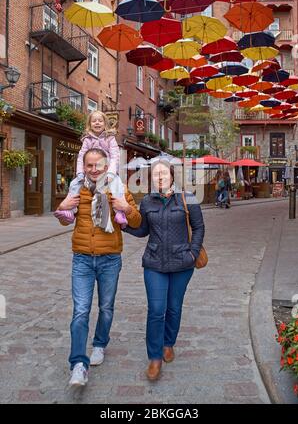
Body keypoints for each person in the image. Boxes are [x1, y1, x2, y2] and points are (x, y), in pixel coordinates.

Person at [54, 148, 141, 387]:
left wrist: (126, 207)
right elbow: (65, 219)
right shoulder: (77, 188)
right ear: (84, 167)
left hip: (110, 258)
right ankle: (78, 364)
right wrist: (62, 206)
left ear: (105, 165)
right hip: (82, 258)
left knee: (106, 307)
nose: (94, 170)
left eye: (98, 165)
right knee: (80, 310)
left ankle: (100, 344)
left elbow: (136, 222)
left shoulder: (117, 188)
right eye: (89, 165)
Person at [124, 159, 205, 381]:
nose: (160, 177)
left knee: (174, 308)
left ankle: (168, 343)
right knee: (156, 309)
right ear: (151, 179)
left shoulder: (187, 198)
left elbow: (198, 227)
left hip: (182, 263)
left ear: (172, 176)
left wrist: (193, 253)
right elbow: (143, 230)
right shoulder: (147, 202)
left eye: (164, 174)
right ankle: (155, 357)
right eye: (155, 175)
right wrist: (124, 225)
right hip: (154, 263)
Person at [57, 111, 127, 227]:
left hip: (108, 172)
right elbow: (81, 157)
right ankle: (70, 210)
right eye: (94, 121)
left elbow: (115, 156)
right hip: (89, 174)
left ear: (105, 123)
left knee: (118, 185)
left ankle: (120, 212)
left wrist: (111, 173)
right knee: (74, 184)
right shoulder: (87, 140)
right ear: (90, 124)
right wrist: (80, 172)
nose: (97, 123)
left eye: (100, 120)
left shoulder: (110, 138)